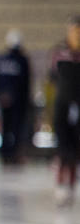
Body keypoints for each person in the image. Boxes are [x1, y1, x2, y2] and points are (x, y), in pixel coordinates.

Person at [48, 15, 80, 207]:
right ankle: (61, 184)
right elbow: (52, 78)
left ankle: (71, 183)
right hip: (63, 104)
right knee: (63, 146)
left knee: (76, 148)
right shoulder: (59, 52)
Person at [0, 29, 32, 166]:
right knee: (15, 129)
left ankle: (5, 155)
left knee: (6, 128)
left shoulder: (1, 59)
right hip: (17, 102)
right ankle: (12, 154)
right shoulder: (22, 61)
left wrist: (1, 95)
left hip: (5, 101)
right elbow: (26, 82)